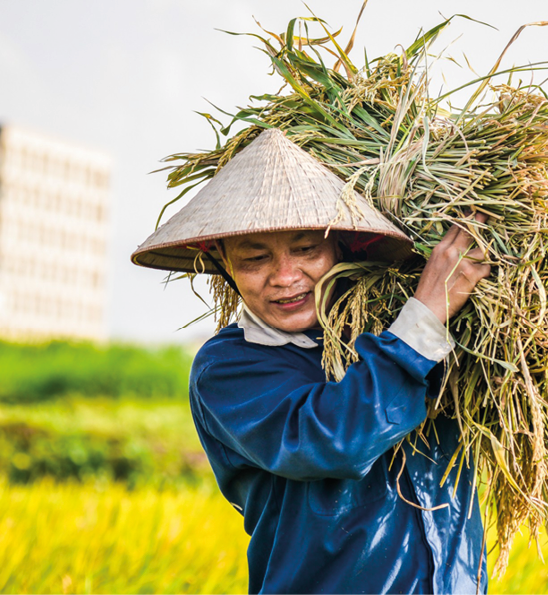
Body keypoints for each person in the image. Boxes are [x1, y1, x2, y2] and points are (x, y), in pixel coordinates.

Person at [131, 128, 492, 594]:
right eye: (255, 258)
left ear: (340, 245)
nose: (285, 277)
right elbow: (336, 439)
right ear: (220, 259)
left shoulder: (399, 333)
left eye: (306, 249)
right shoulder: (229, 369)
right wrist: (425, 316)